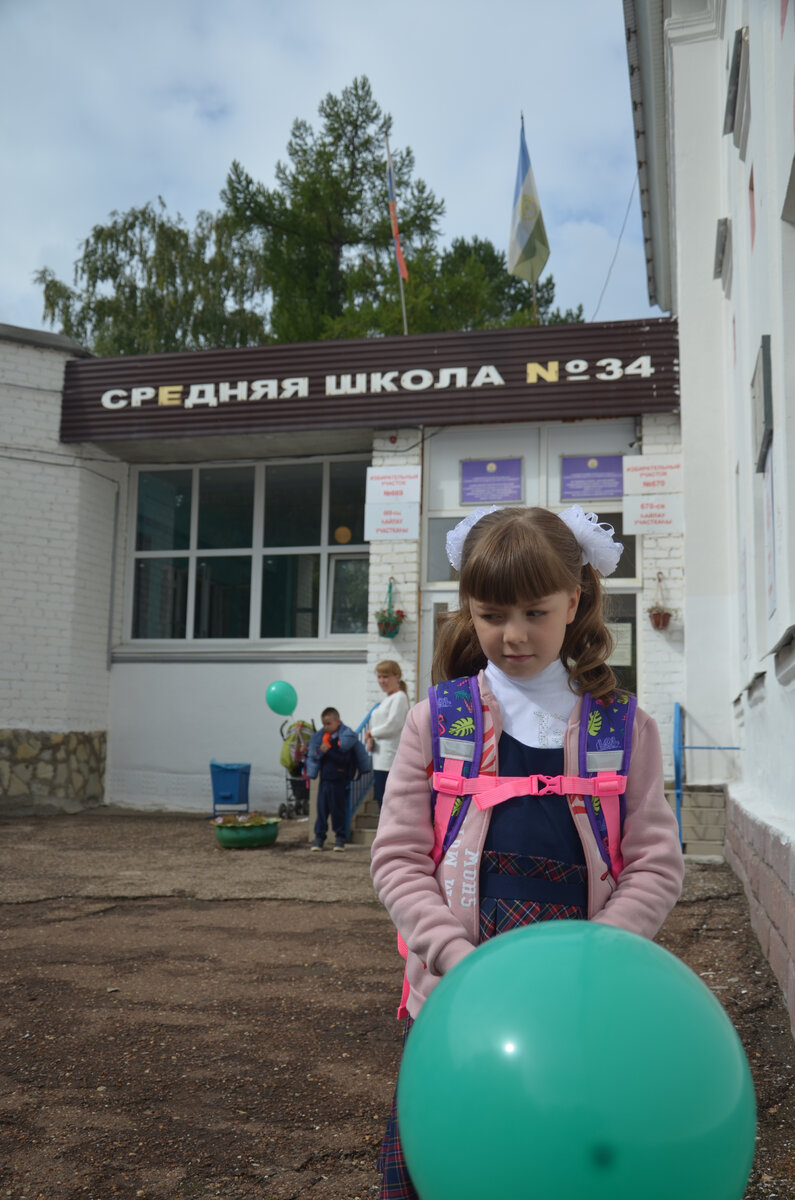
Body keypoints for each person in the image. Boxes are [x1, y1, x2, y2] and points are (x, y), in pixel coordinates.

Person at [370, 504, 685, 1199]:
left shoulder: (624, 728)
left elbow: (657, 865)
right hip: (457, 989)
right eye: (490, 615)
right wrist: (452, 957)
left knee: (562, 1160)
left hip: (583, 995)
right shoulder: (436, 720)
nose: (512, 636)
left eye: (535, 613)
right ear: (467, 611)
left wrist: (597, 957)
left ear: (574, 601)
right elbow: (396, 858)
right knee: (461, 1158)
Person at [306, 707, 356, 851]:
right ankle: (319, 838)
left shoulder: (344, 740)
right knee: (321, 810)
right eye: (324, 724)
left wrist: (329, 752)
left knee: (337, 810)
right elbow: (317, 758)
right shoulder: (323, 739)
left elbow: (344, 760)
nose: (326, 727)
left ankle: (339, 838)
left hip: (339, 780)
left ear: (338, 722)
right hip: (325, 780)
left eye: (329, 723)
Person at [365, 660, 410, 809]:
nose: (381, 681)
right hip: (379, 758)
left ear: (397, 676)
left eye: (385, 676)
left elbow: (393, 726)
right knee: (380, 799)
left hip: (389, 759)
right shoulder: (387, 699)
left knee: (387, 801)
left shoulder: (400, 697)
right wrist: (370, 738)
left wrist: (371, 732)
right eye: (379, 677)